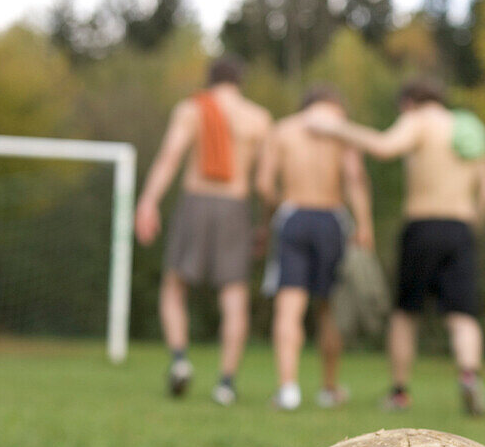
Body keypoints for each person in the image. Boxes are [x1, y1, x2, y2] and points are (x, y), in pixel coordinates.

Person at [309, 78, 485, 415]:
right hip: (461, 228)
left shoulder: (418, 120)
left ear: (409, 102)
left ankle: (399, 393)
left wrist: (336, 128)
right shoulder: (469, 128)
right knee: (462, 314)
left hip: (423, 226)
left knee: (405, 314)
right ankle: (469, 375)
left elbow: (383, 146)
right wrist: (472, 227)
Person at [134, 56, 271, 403]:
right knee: (234, 294)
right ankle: (226, 383)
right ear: (239, 81)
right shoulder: (258, 118)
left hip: (196, 201)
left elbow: (170, 156)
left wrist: (148, 201)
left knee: (174, 285)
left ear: (210, 80)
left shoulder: (192, 109)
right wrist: (265, 224)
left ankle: (180, 361)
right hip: (237, 206)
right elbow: (265, 181)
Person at [256, 85, 374, 411]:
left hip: (293, 216)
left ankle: (288, 390)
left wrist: (278, 213)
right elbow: (355, 177)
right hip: (332, 220)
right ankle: (328, 388)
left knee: (288, 306)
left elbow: (265, 186)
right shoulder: (341, 132)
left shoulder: (283, 129)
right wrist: (365, 225)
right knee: (328, 308)